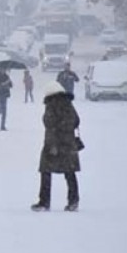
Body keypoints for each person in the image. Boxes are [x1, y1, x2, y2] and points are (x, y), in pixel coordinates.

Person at [31, 81, 81, 212]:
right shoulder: (69, 104)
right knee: (70, 173)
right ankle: (73, 201)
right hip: (69, 144)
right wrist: (67, 130)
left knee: (45, 172)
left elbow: (50, 126)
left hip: (54, 144)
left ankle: (44, 202)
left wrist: (52, 145)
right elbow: (76, 121)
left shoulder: (51, 105)